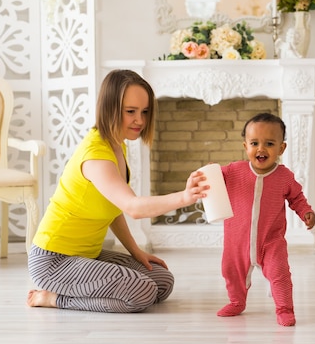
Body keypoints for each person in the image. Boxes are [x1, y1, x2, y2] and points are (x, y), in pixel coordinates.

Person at [26, 69, 208, 313]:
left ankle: (71, 292)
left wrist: (136, 252)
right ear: (110, 108)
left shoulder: (116, 146)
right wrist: (185, 197)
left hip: (86, 255)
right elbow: (132, 207)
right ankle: (53, 298)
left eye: (144, 112)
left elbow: (114, 209)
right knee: (141, 292)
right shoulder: (96, 155)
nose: (140, 121)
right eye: (130, 111)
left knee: (162, 281)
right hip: (54, 261)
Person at [217, 112, 315, 326]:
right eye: (254, 143)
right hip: (237, 241)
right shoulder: (234, 171)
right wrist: (205, 175)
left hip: (270, 241)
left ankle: (284, 309)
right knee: (230, 271)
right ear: (246, 146)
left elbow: (297, 197)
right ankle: (237, 301)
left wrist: (306, 211)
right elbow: (214, 177)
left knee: (280, 273)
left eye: (269, 143)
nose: (261, 149)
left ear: (281, 148)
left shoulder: (284, 177)